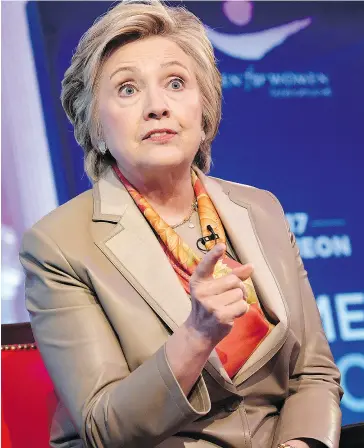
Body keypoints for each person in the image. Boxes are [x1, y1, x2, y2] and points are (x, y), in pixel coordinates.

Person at [19, 1, 343, 447]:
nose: (157, 106)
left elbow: (314, 372)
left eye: (175, 83)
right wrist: (195, 336)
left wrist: (301, 443)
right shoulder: (57, 245)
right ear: (95, 126)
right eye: (128, 89)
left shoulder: (261, 209)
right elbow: (104, 427)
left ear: (204, 109)